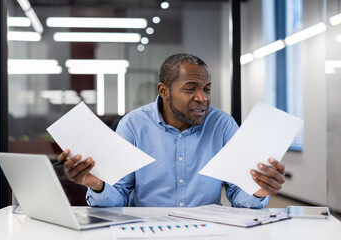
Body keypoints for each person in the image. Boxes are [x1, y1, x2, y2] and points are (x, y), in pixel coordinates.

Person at [58, 53, 285, 208]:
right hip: (147, 231)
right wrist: (97, 185)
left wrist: (259, 190)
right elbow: (118, 196)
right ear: (164, 91)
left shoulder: (222, 125)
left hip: (207, 231)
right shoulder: (133, 125)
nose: (202, 97)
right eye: (190, 89)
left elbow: (238, 194)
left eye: (206, 88)